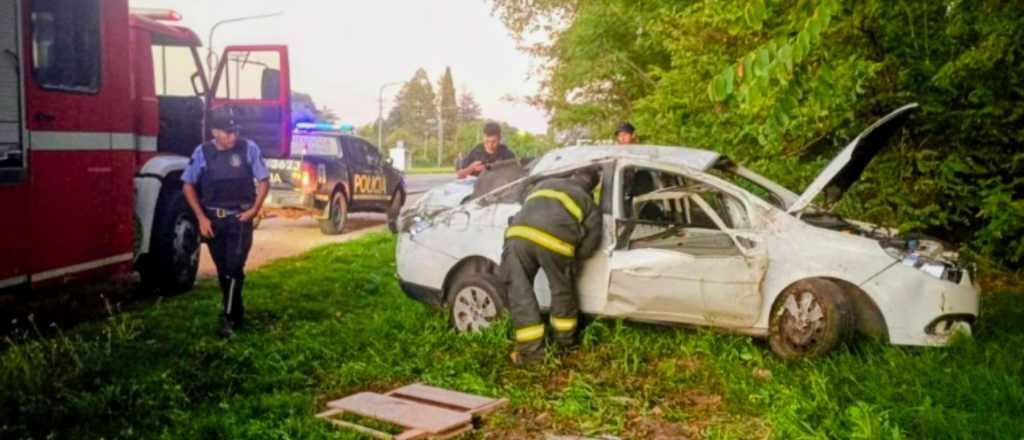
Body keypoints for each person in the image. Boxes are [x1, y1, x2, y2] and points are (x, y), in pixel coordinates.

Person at [182, 108, 271, 338]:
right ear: (215, 132)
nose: (233, 137)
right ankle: (237, 311)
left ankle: (228, 318)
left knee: (234, 267)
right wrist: (201, 218)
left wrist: (254, 209)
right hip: (213, 221)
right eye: (228, 132)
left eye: (236, 132)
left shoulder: (249, 148)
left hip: (240, 219)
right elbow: (188, 185)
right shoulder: (203, 152)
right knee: (224, 271)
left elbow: (263, 180)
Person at [501, 166, 603, 365]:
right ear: (591, 187)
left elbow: (523, 197)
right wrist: (574, 258)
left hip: (517, 236)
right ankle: (564, 345)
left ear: (572, 175)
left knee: (520, 293)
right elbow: (592, 241)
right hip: (556, 244)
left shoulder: (545, 184)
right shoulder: (588, 202)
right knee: (562, 291)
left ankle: (531, 354)